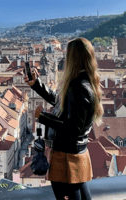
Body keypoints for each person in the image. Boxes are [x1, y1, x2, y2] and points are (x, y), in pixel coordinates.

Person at [24, 37, 103, 200]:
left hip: (66, 157)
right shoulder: (85, 83)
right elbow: (61, 103)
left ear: (73, 58)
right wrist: (37, 85)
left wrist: (43, 117)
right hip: (76, 155)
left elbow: (72, 128)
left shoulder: (77, 87)